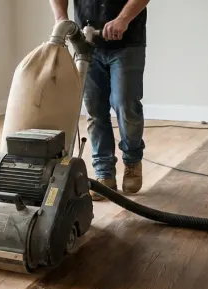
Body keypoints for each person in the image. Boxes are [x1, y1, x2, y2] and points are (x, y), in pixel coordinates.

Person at [50, 0, 150, 200]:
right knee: (95, 110)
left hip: (127, 42)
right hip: (87, 43)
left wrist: (123, 19)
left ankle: (131, 160)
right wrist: (61, 18)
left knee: (125, 104)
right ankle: (104, 173)